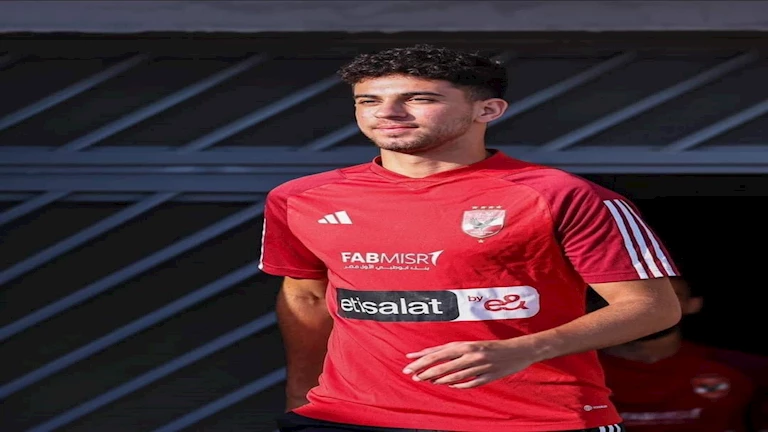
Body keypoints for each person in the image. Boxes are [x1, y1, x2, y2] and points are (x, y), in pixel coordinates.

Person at [259, 44, 682, 432]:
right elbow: (307, 298)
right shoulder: (300, 198)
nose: (387, 112)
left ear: (488, 110)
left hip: (531, 421)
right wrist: (301, 395)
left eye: (419, 99)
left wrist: (526, 349)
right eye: (368, 100)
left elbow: (652, 308)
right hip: (345, 417)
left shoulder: (564, 195)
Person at [590, 277, 768, 431]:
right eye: (627, 300)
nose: (645, 308)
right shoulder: (581, 371)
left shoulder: (746, 369)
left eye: (664, 298)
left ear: (693, 304)